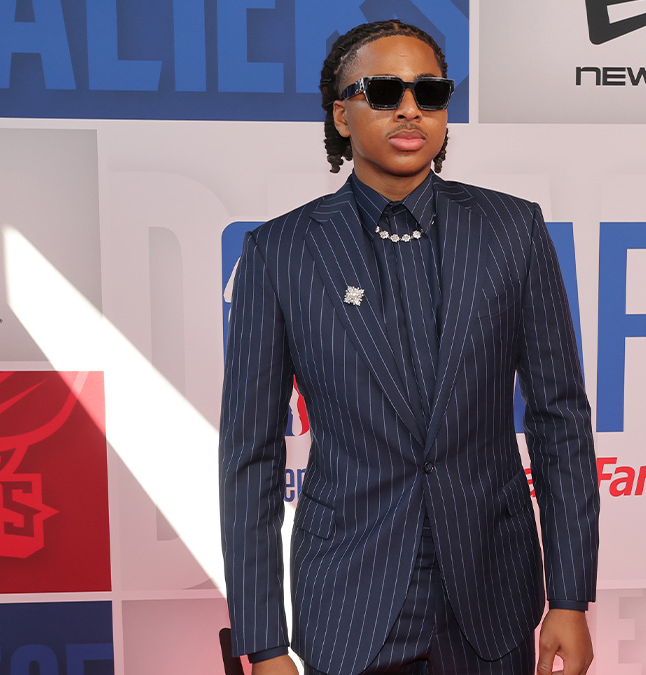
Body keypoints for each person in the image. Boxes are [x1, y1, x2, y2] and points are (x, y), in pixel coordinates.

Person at [220, 20, 599, 675]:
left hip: (494, 599)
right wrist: (264, 639)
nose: (409, 108)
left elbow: (560, 419)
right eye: (384, 89)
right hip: (348, 599)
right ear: (341, 113)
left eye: (429, 92)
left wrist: (569, 596)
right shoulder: (279, 252)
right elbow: (249, 455)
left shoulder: (515, 230)